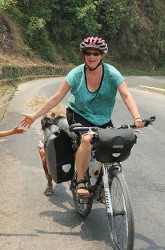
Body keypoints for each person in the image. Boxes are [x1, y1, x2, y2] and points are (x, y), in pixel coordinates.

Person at [21, 36, 145, 197]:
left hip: (103, 118)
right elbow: (57, 97)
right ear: (83, 54)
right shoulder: (76, 74)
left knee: (111, 144)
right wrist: (34, 115)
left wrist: (137, 118)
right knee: (87, 139)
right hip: (78, 114)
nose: (92, 56)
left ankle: (103, 181)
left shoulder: (112, 73)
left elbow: (126, 95)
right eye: (88, 53)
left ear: (102, 55)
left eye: (96, 53)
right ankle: (81, 181)